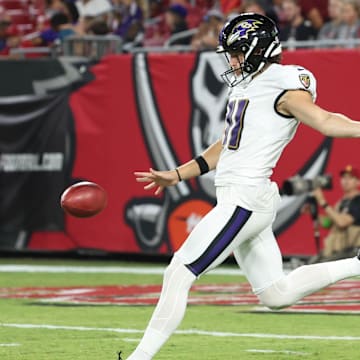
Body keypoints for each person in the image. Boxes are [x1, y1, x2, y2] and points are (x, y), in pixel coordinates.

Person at [128, 13, 360, 360]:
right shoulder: (247, 85)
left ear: (257, 49)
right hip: (245, 197)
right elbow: (226, 144)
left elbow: (324, 120)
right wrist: (177, 175)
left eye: (236, 52)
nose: (231, 60)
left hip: (245, 198)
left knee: (179, 272)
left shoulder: (284, 84)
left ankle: (139, 358)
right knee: (275, 294)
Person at [309, 165, 360, 262]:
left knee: (320, 266)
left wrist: (322, 201)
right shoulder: (342, 202)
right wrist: (314, 213)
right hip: (337, 251)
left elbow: (342, 222)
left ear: (358, 182)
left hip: (352, 252)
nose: (345, 181)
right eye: (344, 178)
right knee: (312, 263)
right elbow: (328, 224)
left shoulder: (358, 201)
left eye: (350, 178)